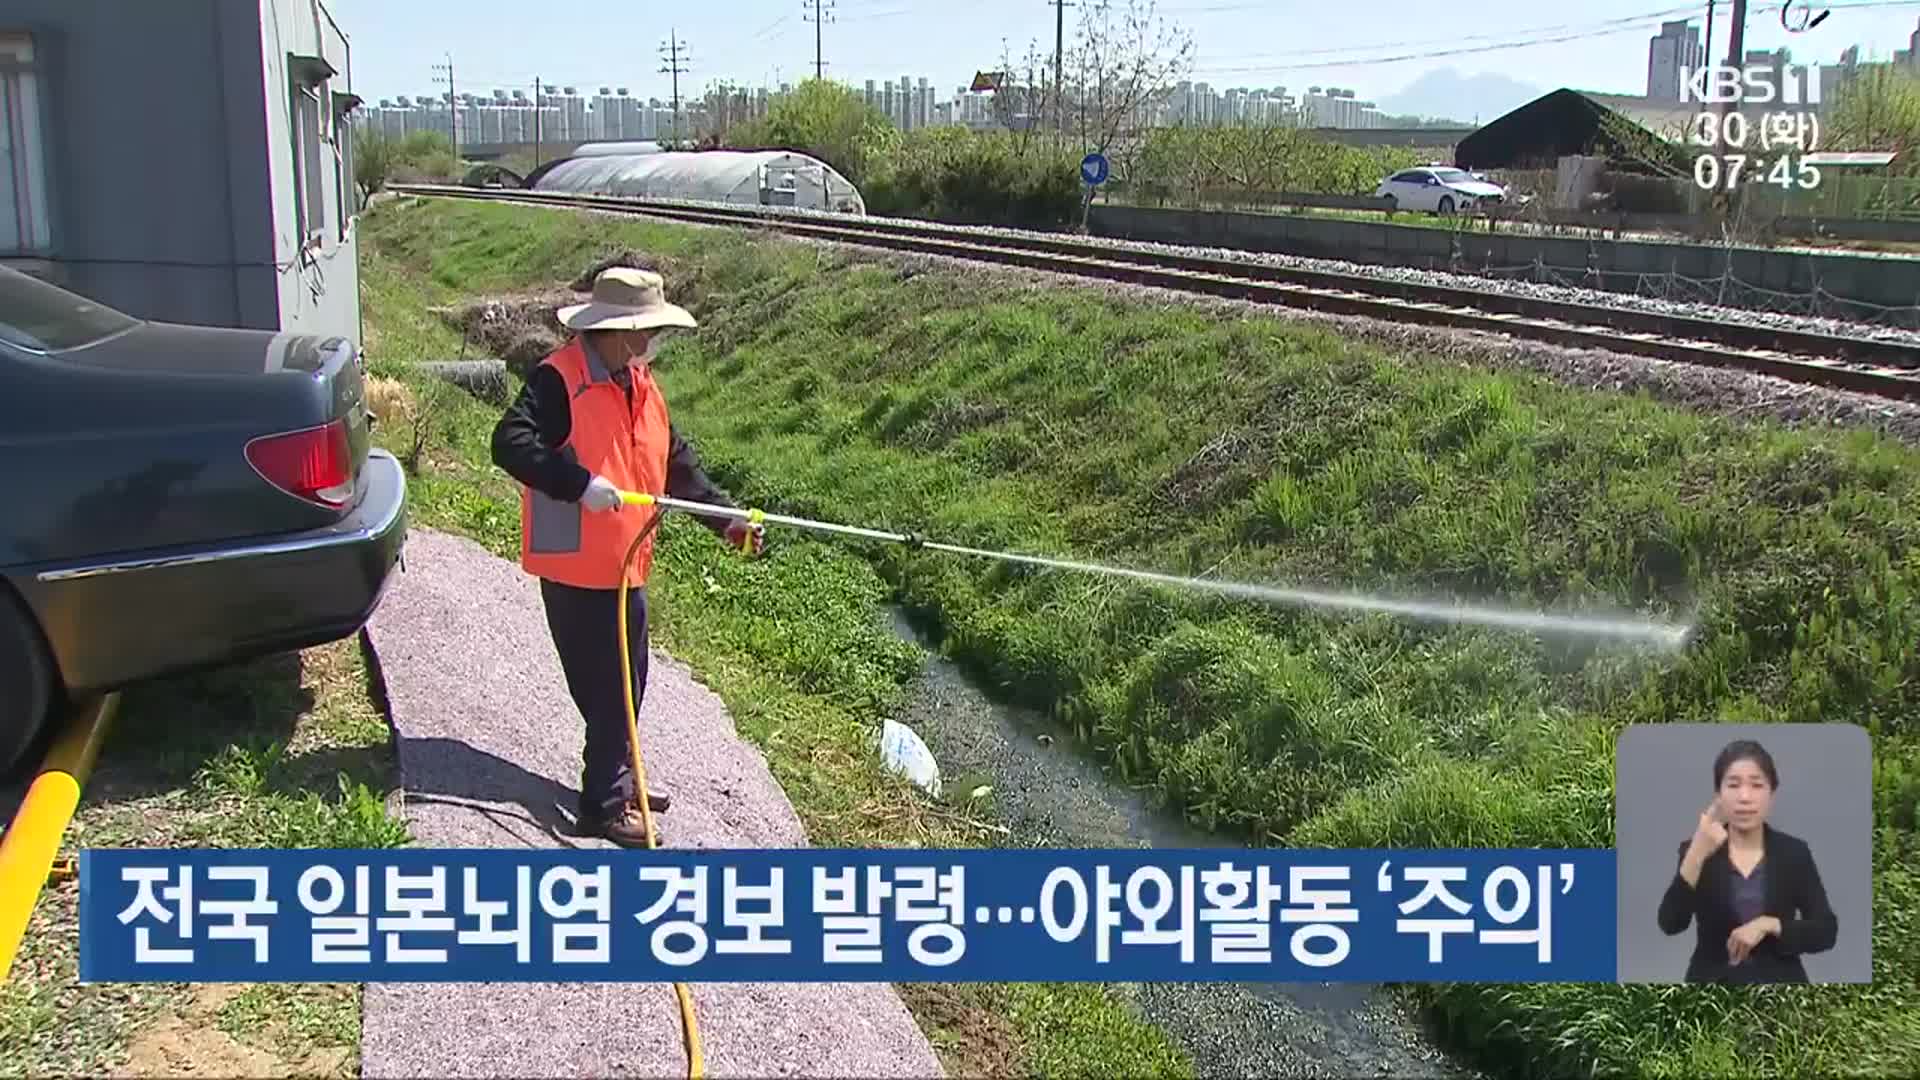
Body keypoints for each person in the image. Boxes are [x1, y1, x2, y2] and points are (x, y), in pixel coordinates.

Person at [490, 267, 764, 848]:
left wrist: (728, 521)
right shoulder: (558, 380)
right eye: (644, 333)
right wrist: (576, 483)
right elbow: (509, 441)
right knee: (611, 688)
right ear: (614, 331)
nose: (650, 345)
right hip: (577, 566)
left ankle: (619, 775)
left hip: (623, 565)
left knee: (629, 681)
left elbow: (676, 469)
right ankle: (603, 807)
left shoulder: (637, 382)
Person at [1656, 739, 1838, 983]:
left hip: (1780, 990)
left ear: (1771, 794)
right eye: (1733, 785)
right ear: (1719, 795)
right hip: (1712, 990)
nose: (1744, 796)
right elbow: (1670, 923)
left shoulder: (1794, 853)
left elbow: (1826, 931)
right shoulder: (1695, 850)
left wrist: (1770, 925)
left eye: (1756, 785)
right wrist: (1698, 851)